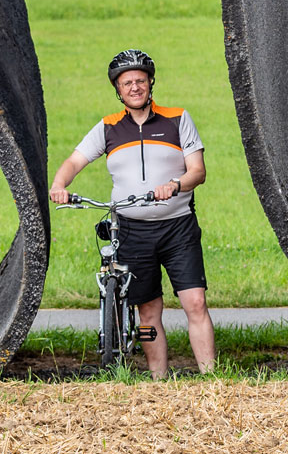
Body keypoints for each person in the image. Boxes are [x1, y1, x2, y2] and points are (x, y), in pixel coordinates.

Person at [48, 49, 214, 379]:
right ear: (118, 90)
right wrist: (59, 184)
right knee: (148, 310)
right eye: (127, 83)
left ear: (151, 83)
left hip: (177, 227)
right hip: (132, 231)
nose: (134, 87)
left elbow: (198, 171)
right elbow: (74, 161)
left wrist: (176, 184)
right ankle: (158, 381)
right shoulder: (108, 127)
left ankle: (212, 380)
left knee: (194, 302)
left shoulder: (178, 119)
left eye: (140, 80)